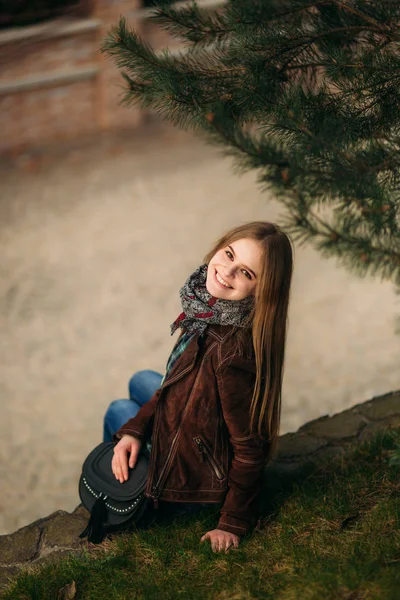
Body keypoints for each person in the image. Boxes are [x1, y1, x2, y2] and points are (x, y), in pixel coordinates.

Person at [103, 220, 293, 553]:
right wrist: (135, 431)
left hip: (197, 484)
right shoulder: (209, 311)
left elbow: (251, 450)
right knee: (143, 382)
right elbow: (172, 384)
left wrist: (231, 523)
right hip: (196, 433)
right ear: (220, 246)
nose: (227, 272)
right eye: (229, 254)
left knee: (118, 410)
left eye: (246, 273)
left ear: (263, 290)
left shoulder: (228, 352)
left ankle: (121, 499)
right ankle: (127, 458)